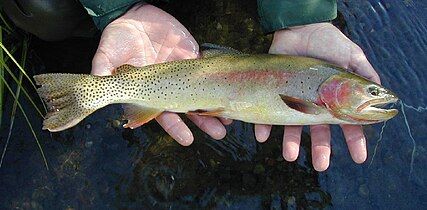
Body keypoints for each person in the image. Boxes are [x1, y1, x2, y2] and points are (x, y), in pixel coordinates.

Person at [5, 0, 381, 171]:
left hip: (204, 77)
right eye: (371, 92)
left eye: (372, 93)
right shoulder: (315, 96)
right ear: (340, 87)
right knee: (44, 9)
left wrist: (301, 14)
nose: (375, 97)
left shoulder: (318, 86)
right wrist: (118, 8)